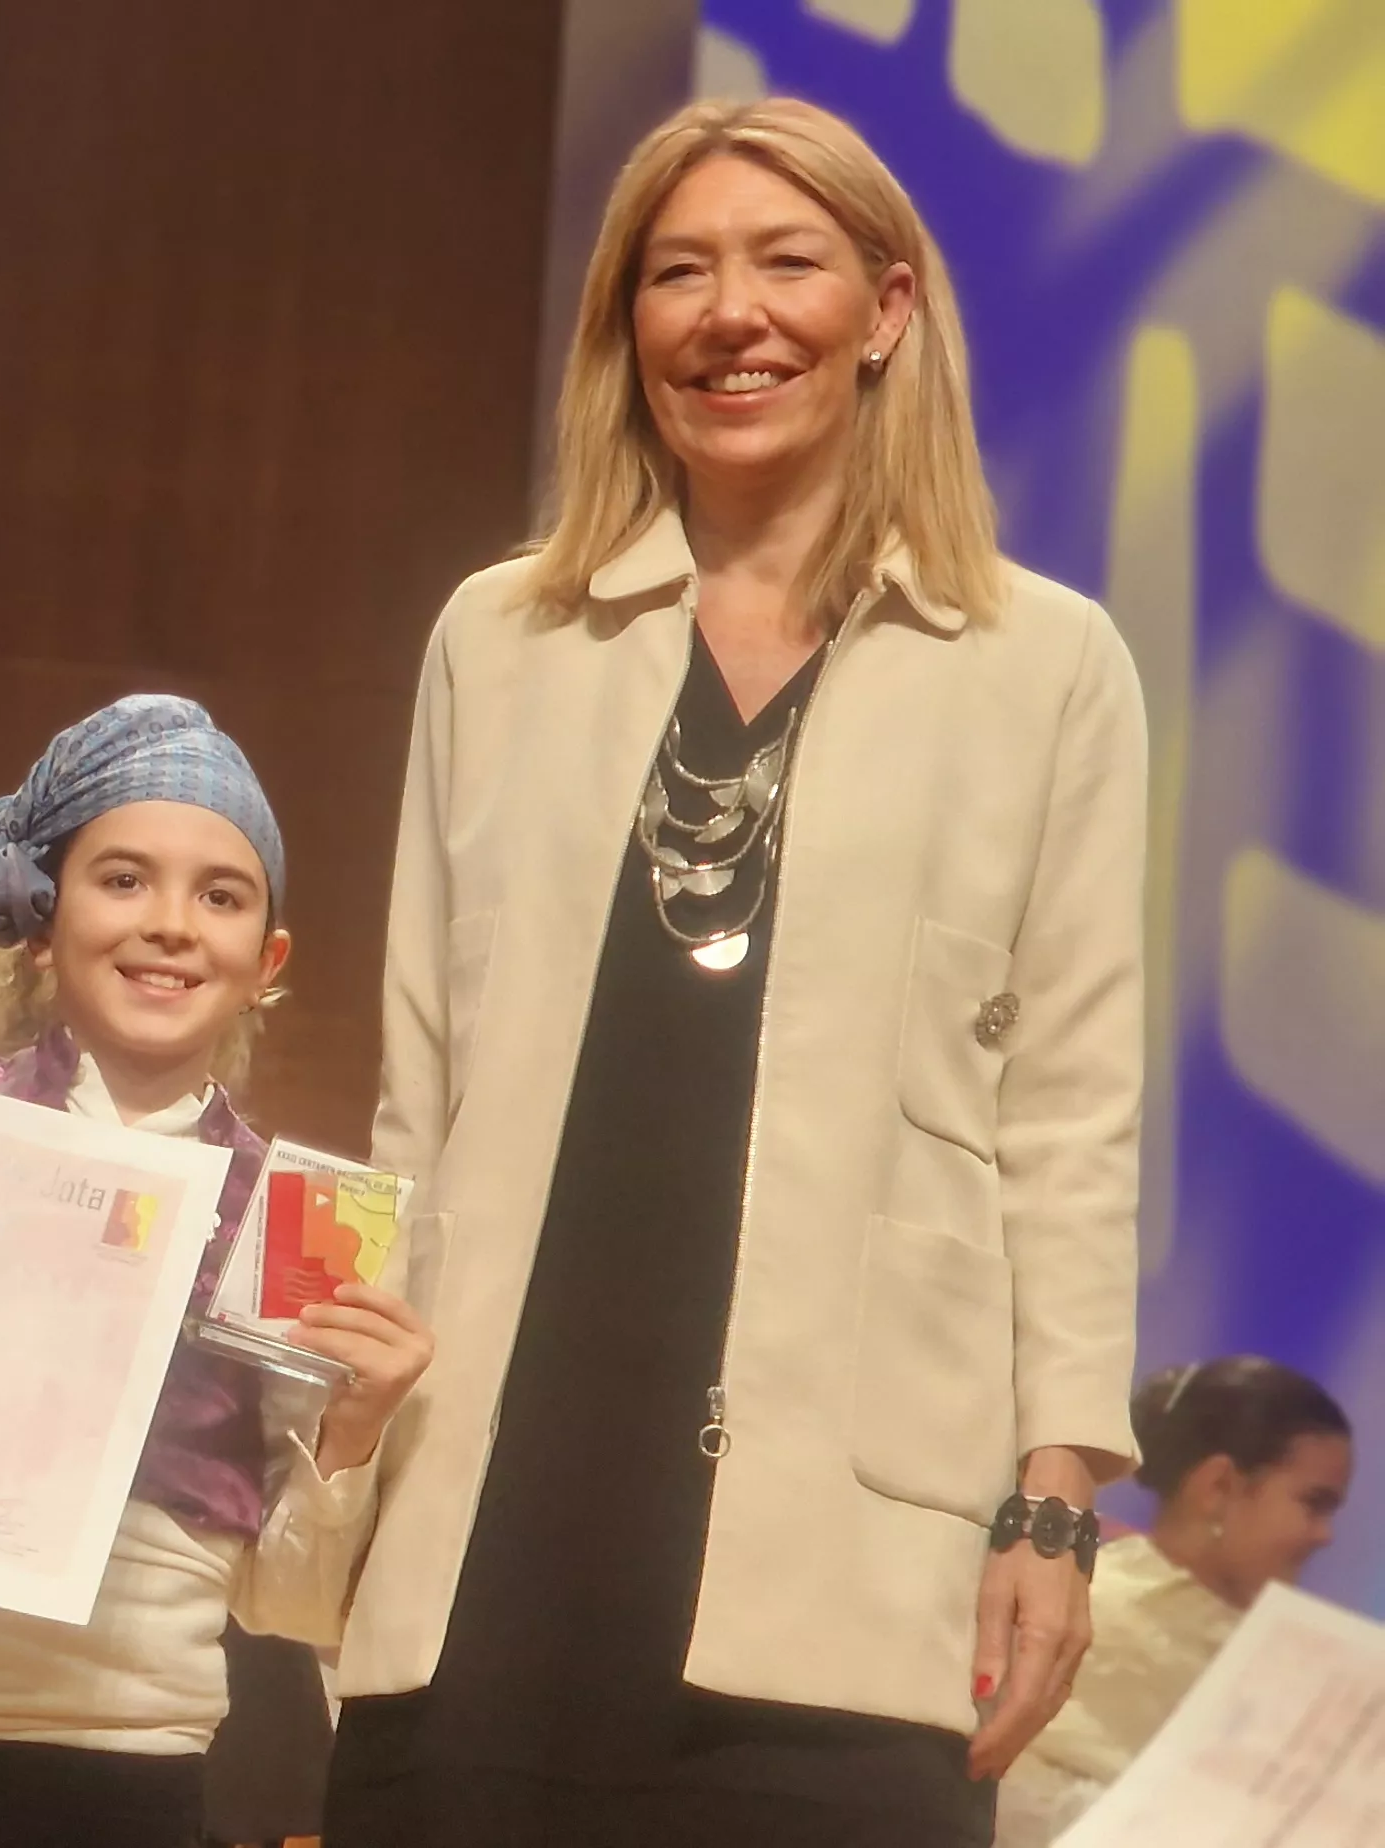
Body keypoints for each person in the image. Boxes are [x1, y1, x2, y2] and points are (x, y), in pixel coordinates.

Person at [322, 98, 1150, 1848]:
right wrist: (343, 1470)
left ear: (889, 309)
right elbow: (419, 1082)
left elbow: (1071, 1121)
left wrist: (1056, 1499)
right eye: (677, 273)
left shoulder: (1043, 664)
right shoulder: (502, 636)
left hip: (852, 1558)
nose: (732, 315)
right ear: (626, 325)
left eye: (787, 263)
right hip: (490, 1529)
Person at [0, 695, 432, 1848]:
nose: (171, 925)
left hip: (132, 1773)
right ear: (43, 921)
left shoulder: (300, 1218)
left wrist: (357, 1427)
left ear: (266, 958)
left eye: (219, 896)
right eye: (123, 880)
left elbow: (286, 1605)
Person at [994, 1359, 1353, 1846]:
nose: (1325, 1536)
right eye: (1314, 1503)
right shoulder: (1093, 1611)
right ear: (1218, 1486)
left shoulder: (1299, 1664)